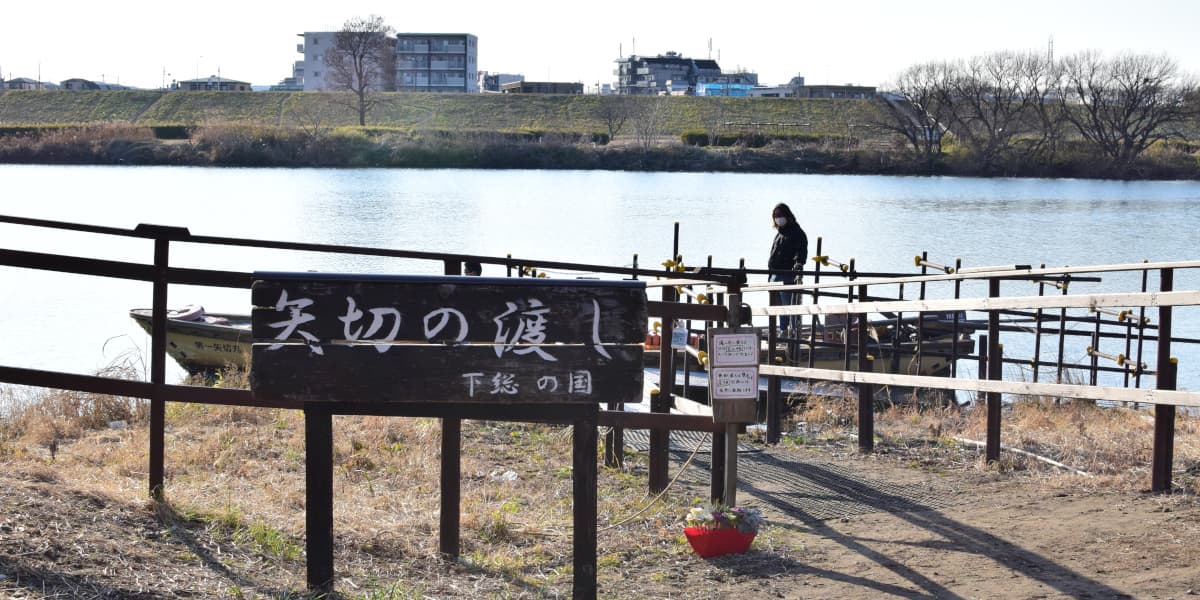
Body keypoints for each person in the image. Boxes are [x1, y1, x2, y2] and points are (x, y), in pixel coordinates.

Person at [768, 202, 808, 335]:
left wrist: (798, 263)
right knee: (778, 309)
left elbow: (801, 252)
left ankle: (792, 334)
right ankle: (783, 331)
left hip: (787, 276)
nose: (778, 218)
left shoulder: (797, 232)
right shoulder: (779, 235)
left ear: (788, 215)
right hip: (774, 276)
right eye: (775, 216)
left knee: (789, 308)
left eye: (780, 215)